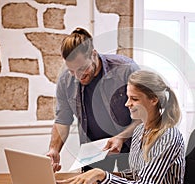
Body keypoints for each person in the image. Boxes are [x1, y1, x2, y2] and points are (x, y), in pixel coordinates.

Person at [57, 70, 190, 184]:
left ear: (153, 100)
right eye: (128, 97)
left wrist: (102, 175)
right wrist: (99, 177)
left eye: (134, 99)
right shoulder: (139, 130)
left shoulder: (167, 136)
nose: (127, 104)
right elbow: (137, 176)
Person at [46, 27, 140, 172]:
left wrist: (121, 138)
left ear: (94, 54)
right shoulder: (65, 80)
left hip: (130, 148)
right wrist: (54, 150)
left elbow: (145, 116)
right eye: (72, 71)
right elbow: (62, 120)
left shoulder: (125, 69)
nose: (78, 76)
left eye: (83, 68)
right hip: (93, 152)